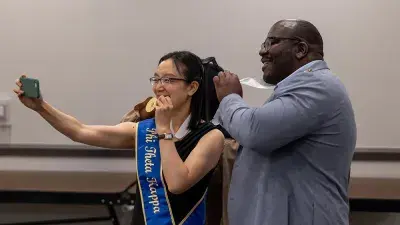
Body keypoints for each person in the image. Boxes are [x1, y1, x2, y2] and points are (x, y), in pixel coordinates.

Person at [14, 51, 226, 225]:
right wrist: (41, 107)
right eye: (156, 79)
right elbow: (80, 131)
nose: (159, 86)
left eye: (169, 79)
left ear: (192, 87)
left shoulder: (210, 136)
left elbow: (178, 183)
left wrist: (163, 130)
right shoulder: (143, 130)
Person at [213, 19, 357, 225]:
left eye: (271, 42)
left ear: (300, 49)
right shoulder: (302, 87)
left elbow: (255, 131)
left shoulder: (317, 86)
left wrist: (229, 98)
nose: (262, 52)